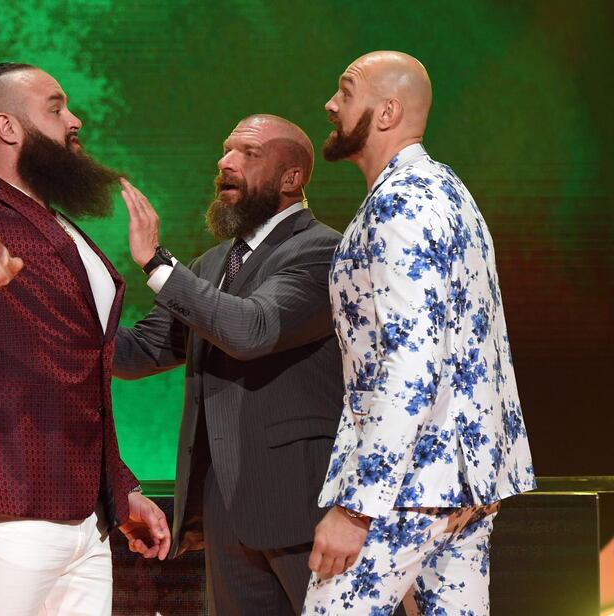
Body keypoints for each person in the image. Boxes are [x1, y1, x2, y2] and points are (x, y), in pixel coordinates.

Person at [0, 62, 169, 616]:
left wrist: (121, 489)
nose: (75, 119)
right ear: (7, 127)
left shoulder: (61, 225)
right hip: (2, 513)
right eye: (56, 106)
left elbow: (81, 378)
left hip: (84, 525)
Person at [303, 51, 536, 615]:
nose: (330, 105)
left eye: (346, 91)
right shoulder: (450, 191)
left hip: (405, 490)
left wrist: (357, 506)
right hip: (466, 483)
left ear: (387, 112)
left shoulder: (398, 206)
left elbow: (411, 362)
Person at [113, 114, 344, 615]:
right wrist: (52, 307)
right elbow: (138, 352)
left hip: (304, 511)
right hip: (225, 511)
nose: (225, 162)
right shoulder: (211, 264)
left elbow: (251, 330)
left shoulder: (324, 251)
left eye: (248, 153)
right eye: (225, 149)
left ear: (292, 178)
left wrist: (157, 265)